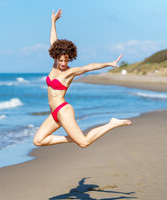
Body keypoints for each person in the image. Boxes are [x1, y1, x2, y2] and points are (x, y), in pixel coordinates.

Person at [33, 9, 132, 148]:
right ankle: (73, 138)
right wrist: (53, 22)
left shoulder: (70, 72)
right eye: (60, 60)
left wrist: (108, 64)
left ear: (70, 59)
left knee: (84, 143)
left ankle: (112, 123)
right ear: (56, 57)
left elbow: (89, 67)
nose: (62, 63)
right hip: (54, 113)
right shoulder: (55, 66)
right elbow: (53, 42)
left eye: (66, 60)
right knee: (38, 141)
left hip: (63, 110)